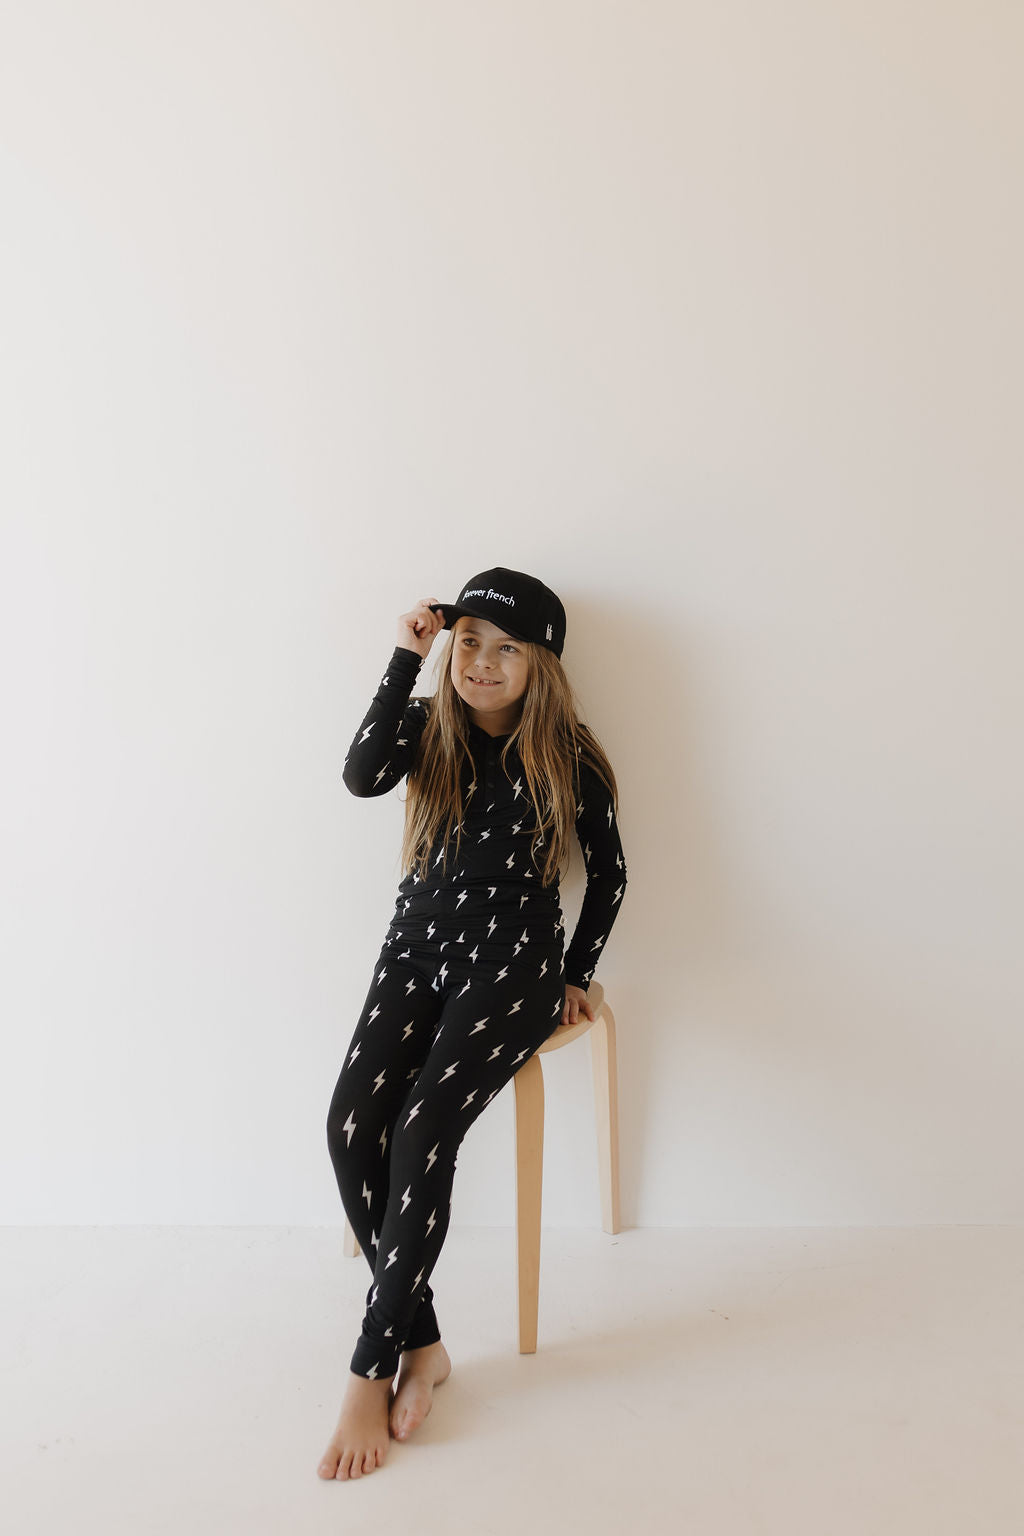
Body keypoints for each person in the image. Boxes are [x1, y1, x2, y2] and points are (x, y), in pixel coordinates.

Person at [317, 566, 628, 1481]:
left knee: (422, 1131)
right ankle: (424, 1343)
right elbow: (359, 776)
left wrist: (577, 974)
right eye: (470, 644)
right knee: (350, 1127)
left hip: (512, 967)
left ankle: (369, 1368)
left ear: (540, 667)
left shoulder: (569, 755)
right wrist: (403, 658)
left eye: (507, 650)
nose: (482, 664)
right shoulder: (427, 727)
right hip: (415, 950)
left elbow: (609, 874)